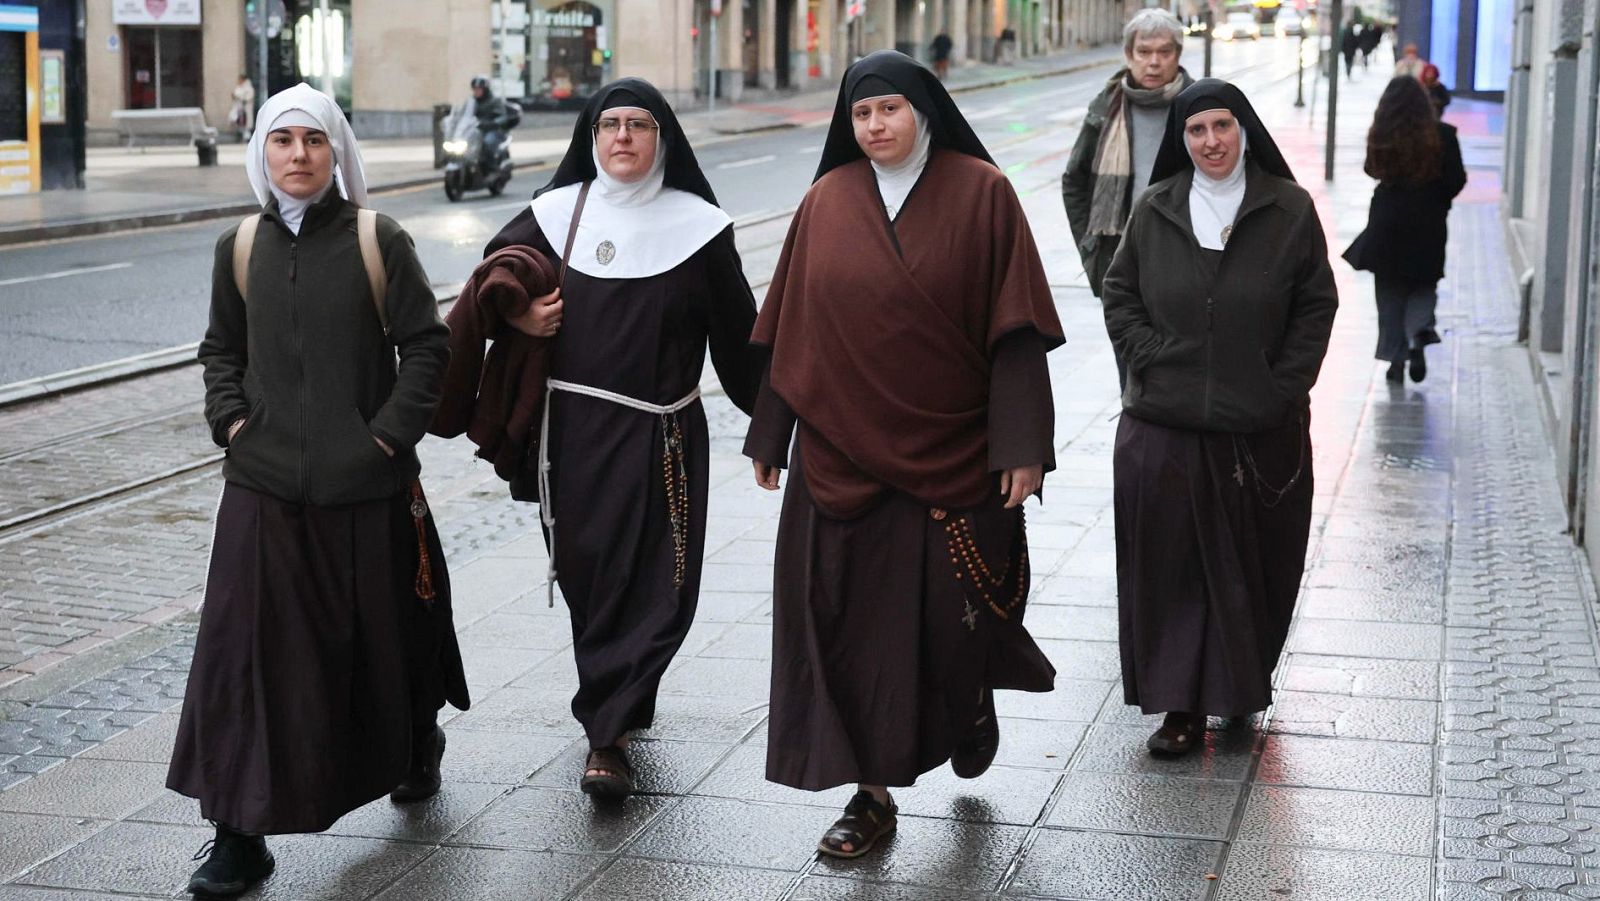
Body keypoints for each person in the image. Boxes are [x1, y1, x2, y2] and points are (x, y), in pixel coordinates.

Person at [745, 50, 1063, 859]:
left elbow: (1017, 330)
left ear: (923, 112)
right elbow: (791, 327)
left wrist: (1023, 442)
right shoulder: (826, 199)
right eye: (861, 113)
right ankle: (871, 795)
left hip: (952, 452)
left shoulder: (983, 193)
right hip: (838, 457)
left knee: (948, 624)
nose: (875, 125)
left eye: (889, 109)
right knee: (847, 626)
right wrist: (770, 430)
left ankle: (969, 693)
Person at [168, 83, 467, 898]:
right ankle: (238, 834)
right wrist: (233, 424)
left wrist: (382, 439)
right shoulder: (238, 247)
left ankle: (415, 740)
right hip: (261, 486)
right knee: (241, 656)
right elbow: (220, 351)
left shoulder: (379, 239)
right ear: (261, 152)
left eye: (313, 140)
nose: (298, 154)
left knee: (385, 641)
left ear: (337, 151)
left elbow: (427, 347)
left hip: (365, 486)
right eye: (282, 140)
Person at [483, 77, 761, 802]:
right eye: (610, 125)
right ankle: (609, 726)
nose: (624, 137)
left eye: (639, 125)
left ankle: (615, 714)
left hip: (665, 435)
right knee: (594, 576)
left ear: (663, 139)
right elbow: (496, 278)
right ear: (592, 137)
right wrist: (517, 315)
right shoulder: (554, 214)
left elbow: (740, 337)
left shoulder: (700, 227)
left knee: (664, 585)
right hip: (575, 436)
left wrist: (774, 424)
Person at [1100, 79, 1337, 757]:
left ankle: (1238, 688)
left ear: (1244, 129)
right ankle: (1180, 707)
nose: (1211, 141)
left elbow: (1315, 305)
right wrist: (1151, 357)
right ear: (1183, 139)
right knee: (1171, 571)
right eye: (1196, 129)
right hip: (1164, 424)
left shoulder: (1288, 208)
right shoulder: (1156, 208)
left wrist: (1281, 386)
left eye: (1222, 126)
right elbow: (1119, 293)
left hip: (1258, 428)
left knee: (1253, 569)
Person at [1062, 8, 1194, 385]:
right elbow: (1074, 180)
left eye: (1164, 52)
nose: (1154, 62)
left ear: (1178, 55)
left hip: (1186, 258)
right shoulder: (1107, 106)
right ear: (1128, 54)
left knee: (1184, 369)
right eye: (1144, 52)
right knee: (1132, 372)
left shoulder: (1198, 104)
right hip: (1123, 261)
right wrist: (1090, 247)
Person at [1343, 76, 1466, 383]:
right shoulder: (1443, 134)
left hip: (1388, 219)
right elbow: (1456, 180)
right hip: (1428, 220)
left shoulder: (1382, 132)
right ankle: (1418, 334)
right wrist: (1436, 196)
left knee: (1389, 290)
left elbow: (1370, 169)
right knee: (1423, 285)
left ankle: (1395, 360)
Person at [228, 74, 255, 142]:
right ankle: (240, 135)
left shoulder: (249, 88)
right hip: (238, 109)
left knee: (245, 123)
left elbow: (248, 98)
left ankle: (246, 137)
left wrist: (240, 97)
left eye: (240, 79)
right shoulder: (238, 87)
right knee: (236, 120)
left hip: (245, 109)